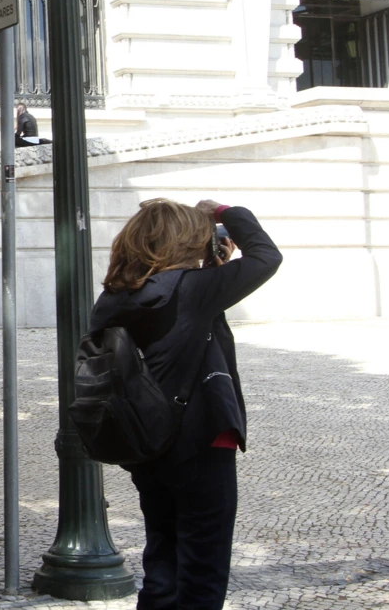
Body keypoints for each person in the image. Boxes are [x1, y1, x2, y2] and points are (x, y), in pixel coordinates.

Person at [90, 198, 282, 610]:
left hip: (146, 442)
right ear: (183, 244)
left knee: (164, 558)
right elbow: (266, 256)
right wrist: (226, 211)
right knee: (202, 571)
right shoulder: (194, 291)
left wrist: (210, 271)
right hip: (200, 443)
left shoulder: (114, 298)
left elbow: (180, 330)